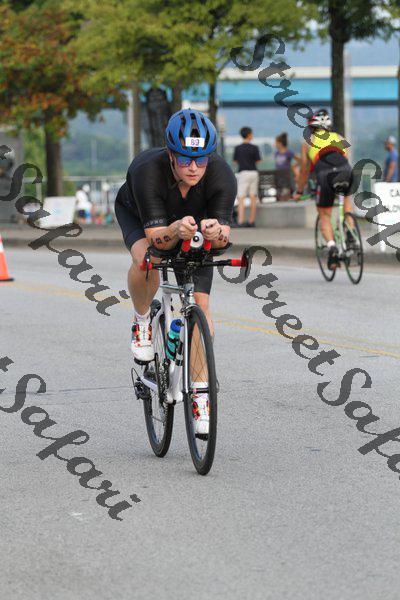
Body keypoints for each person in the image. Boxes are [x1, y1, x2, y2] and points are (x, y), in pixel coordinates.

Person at [114, 108, 236, 435]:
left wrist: (216, 233)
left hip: (191, 229)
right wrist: (173, 229)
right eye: (184, 159)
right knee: (148, 262)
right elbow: (157, 241)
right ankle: (142, 320)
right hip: (143, 218)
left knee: (201, 307)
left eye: (201, 160)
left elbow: (225, 238)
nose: (193, 167)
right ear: (170, 155)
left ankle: (200, 394)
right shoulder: (147, 171)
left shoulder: (222, 175)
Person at [293, 108, 353, 271]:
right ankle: (350, 233)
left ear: (312, 127)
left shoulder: (308, 142)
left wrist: (299, 191)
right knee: (346, 200)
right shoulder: (340, 138)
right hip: (345, 172)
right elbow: (346, 158)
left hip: (325, 176)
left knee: (324, 215)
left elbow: (304, 171)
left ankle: (332, 248)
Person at [233, 127, 261, 227]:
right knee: (253, 197)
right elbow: (258, 161)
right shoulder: (254, 147)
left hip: (243, 173)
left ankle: (240, 221)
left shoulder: (238, 148)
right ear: (249, 134)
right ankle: (251, 221)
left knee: (241, 197)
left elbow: (235, 161)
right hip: (253, 172)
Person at [274, 132, 300, 200]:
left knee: (286, 190)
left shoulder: (288, 152)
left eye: (276, 143)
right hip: (279, 176)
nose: (275, 144)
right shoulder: (276, 153)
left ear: (280, 143)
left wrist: (293, 166)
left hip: (287, 176)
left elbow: (299, 160)